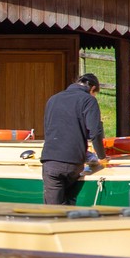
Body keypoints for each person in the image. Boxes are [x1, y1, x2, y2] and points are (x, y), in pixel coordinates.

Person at [40, 72, 106, 205]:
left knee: (52, 210)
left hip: (50, 160)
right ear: (92, 89)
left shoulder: (53, 99)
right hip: (72, 162)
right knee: (68, 207)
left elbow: (48, 128)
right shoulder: (88, 100)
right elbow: (95, 132)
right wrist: (101, 157)